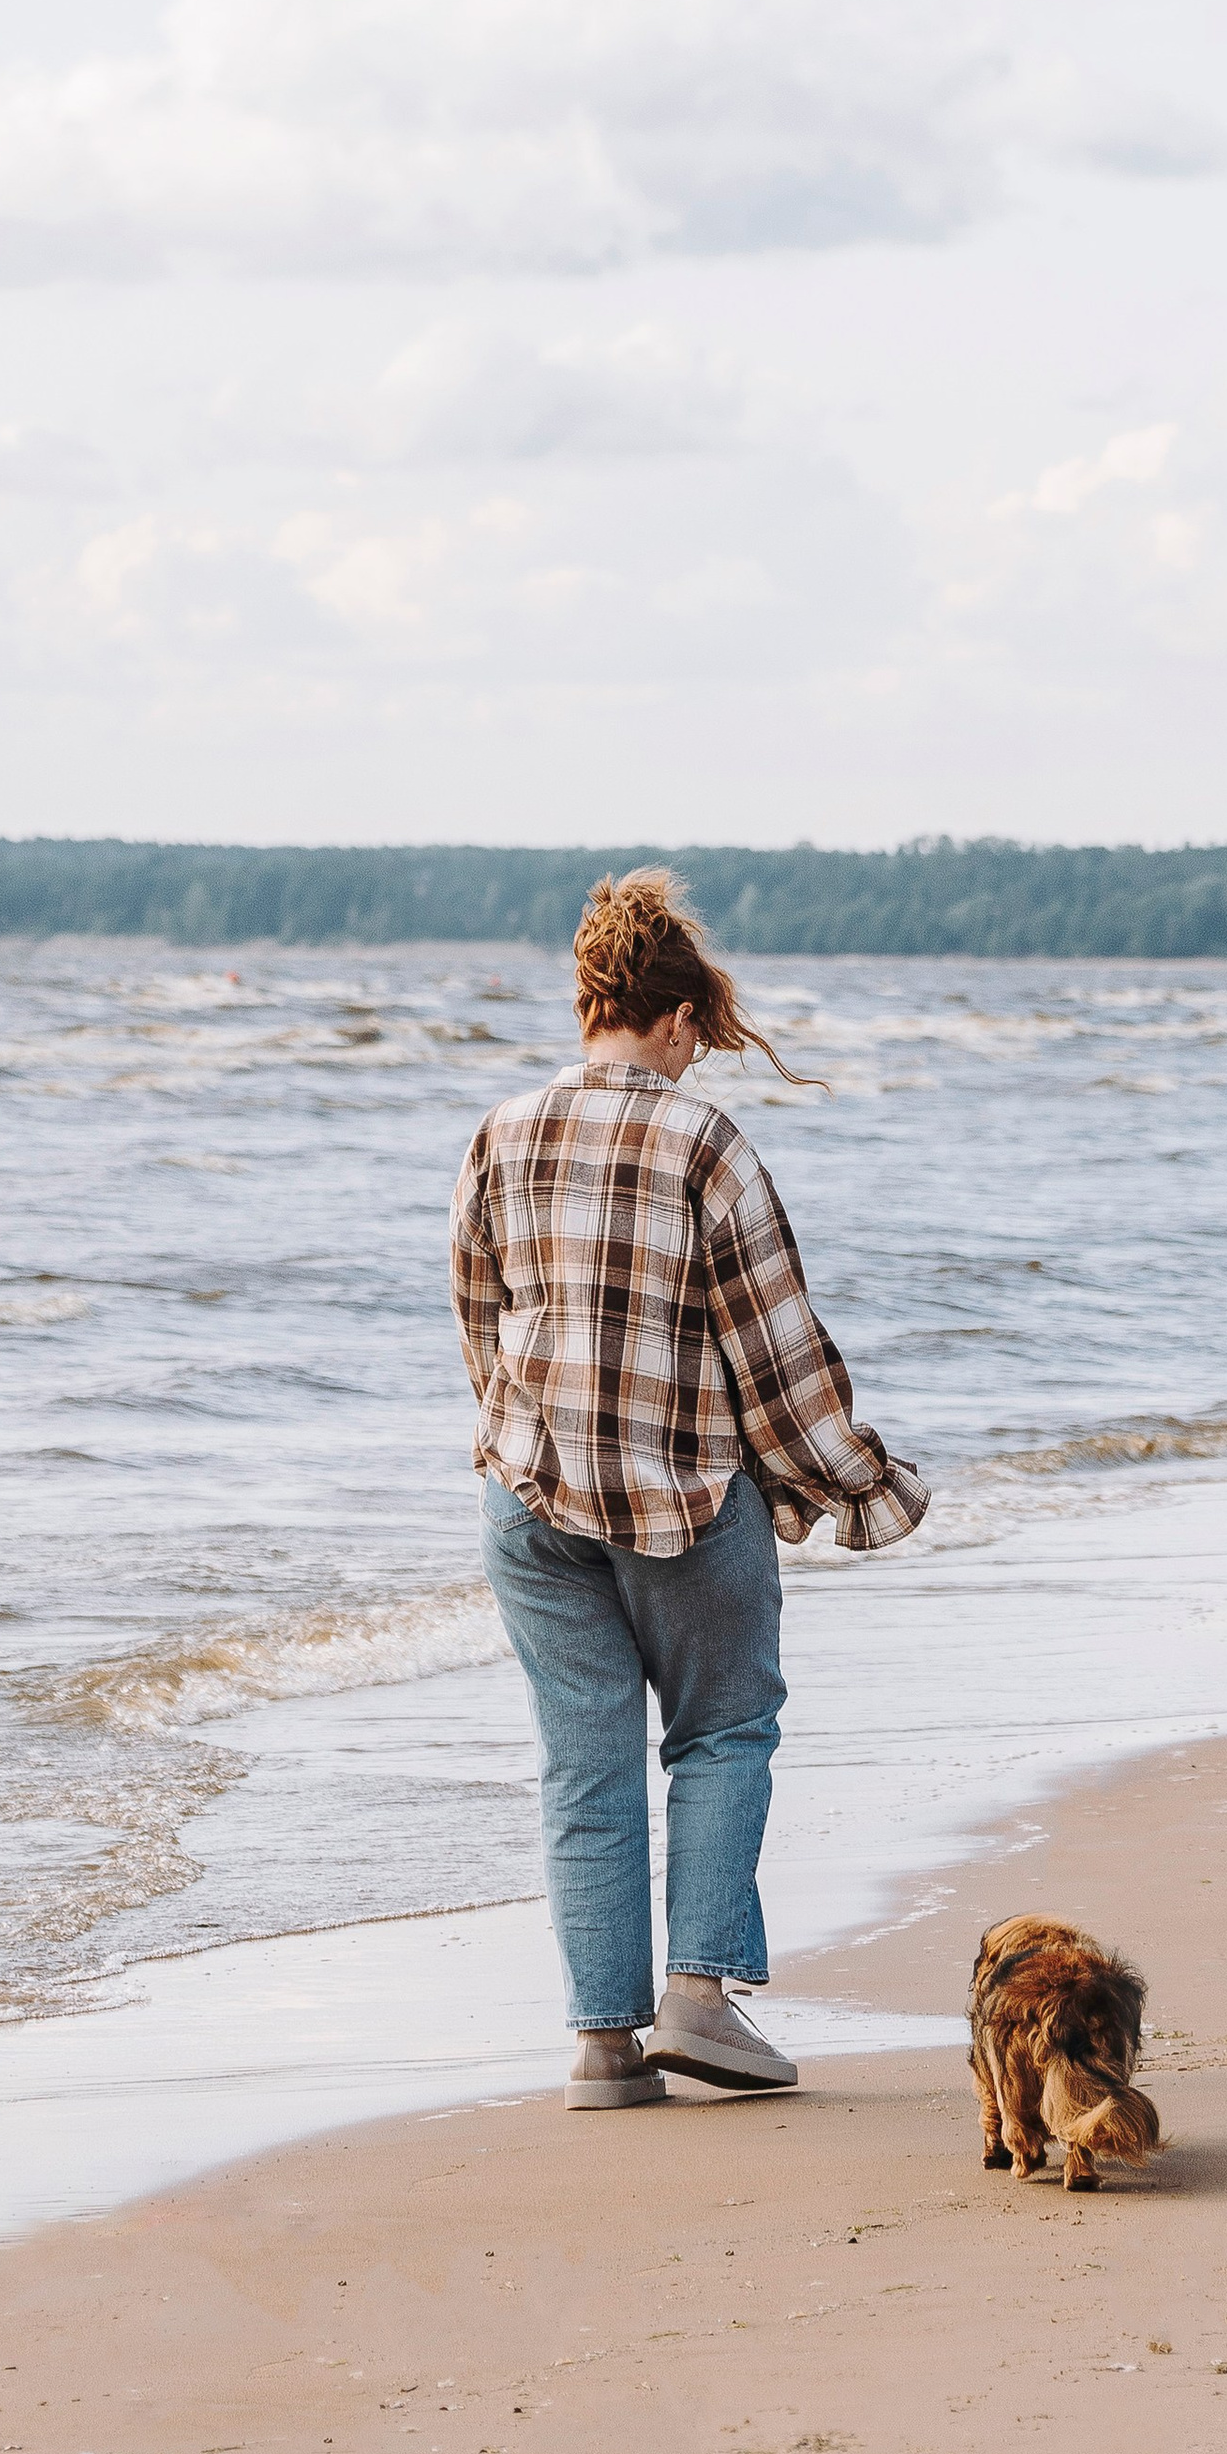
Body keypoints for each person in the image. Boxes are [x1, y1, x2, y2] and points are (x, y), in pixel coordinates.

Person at [450, 867, 928, 2110]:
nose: (696, 1060)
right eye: (697, 1039)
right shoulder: (700, 1140)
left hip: (531, 1496)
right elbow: (777, 1356)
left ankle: (605, 2049)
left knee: (584, 1763)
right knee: (721, 1729)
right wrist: (863, 1487)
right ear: (669, 1019)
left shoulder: (501, 1129)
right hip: (681, 1500)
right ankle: (700, 2002)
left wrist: (524, 1446)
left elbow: (479, 1322)